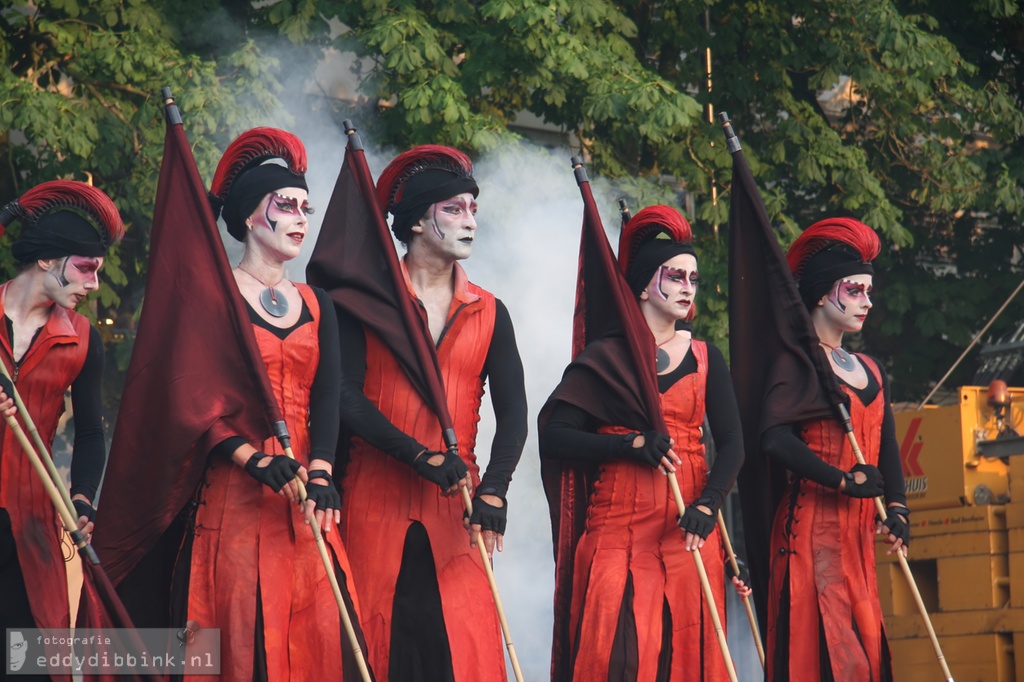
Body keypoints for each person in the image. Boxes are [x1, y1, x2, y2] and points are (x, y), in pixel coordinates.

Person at [332, 144, 528, 681]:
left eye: (473, 210)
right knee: (375, 649)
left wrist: (495, 489)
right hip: (373, 502)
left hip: (456, 510)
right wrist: (419, 456)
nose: (470, 222)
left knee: (460, 653)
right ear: (417, 222)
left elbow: (514, 414)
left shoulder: (491, 310)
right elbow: (344, 398)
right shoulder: (367, 303)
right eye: (454, 210)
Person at [182, 127, 362, 681]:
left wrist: (324, 470)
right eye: (286, 205)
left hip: (306, 495)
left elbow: (328, 393)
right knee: (246, 641)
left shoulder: (317, 302)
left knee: (325, 639)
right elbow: (194, 402)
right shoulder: (214, 299)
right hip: (237, 496)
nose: (301, 217)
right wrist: (254, 460)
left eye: (306, 206)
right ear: (249, 216)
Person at [539, 205, 745, 680]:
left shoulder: (705, 356)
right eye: (676, 275)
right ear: (645, 283)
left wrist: (710, 505)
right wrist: (627, 446)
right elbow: (555, 437)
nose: (688, 287)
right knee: (621, 659)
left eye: (693, 278)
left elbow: (733, 444)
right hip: (616, 530)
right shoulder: (607, 356)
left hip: (687, 528)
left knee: (685, 658)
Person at [763, 217, 908, 680]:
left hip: (858, 541)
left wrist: (900, 510)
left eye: (869, 290)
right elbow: (774, 437)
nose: (867, 301)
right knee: (826, 660)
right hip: (810, 538)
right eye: (855, 290)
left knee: (865, 659)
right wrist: (841, 479)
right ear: (824, 292)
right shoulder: (800, 361)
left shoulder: (871, 367)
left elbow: (886, 448)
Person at [0, 181, 122, 649]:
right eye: (87, 269)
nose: (93, 284)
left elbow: (92, 432)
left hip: (32, 532)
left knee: (28, 662)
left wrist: (85, 497)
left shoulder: (85, 339)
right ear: (48, 260)